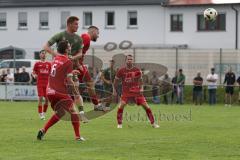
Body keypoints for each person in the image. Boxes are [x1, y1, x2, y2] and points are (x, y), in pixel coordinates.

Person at [37, 40, 84, 141]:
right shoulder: (68, 61)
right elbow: (69, 80)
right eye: (69, 46)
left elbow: (58, 73)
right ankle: (78, 137)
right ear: (67, 49)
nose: (70, 47)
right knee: (73, 111)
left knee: (60, 113)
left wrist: (71, 72)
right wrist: (76, 93)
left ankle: (43, 130)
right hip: (59, 92)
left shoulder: (55, 59)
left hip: (49, 91)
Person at [43, 16, 87, 122]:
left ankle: (81, 114)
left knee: (76, 91)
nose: (78, 26)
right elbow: (46, 46)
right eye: (76, 24)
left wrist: (72, 57)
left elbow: (81, 53)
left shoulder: (79, 38)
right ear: (69, 24)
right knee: (60, 94)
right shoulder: (60, 35)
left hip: (72, 67)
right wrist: (56, 55)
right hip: (60, 69)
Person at [113, 54, 159, 129]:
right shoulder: (121, 70)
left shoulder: (137, 70)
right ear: (125, 61)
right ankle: (119, 124)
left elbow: (141, 80)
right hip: (126, 92)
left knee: (146, 106)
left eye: (131, 59)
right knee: (121, 105)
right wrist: (114, 90)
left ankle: (153, 123)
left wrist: (141, 88)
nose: (130, 60)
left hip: (136, 92)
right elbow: (115, 81)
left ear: (133, 61)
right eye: (128, 59)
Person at [77, 26, 103, 114]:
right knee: (89, 84)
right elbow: (76, 50)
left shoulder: (85, 37)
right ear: (93, 31)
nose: (98, 36)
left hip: (77, 64)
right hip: (76, 65)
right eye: (98, 33)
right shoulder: (86, 37)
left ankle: (96, 105)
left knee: (79, 86)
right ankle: (96, 105)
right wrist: (77, 64)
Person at [32, 50, 51, 120]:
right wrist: (34, 75)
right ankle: (40, 114)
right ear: (40, 55)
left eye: (45, 54)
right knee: (40, 98)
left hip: (47, 84)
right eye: (42, 53)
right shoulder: (37, 64)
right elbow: (33, 72)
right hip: (40, 83)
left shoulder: (49, 64)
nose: (44, 55)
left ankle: (44, 113)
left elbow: (51, 74)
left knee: (47, 99)